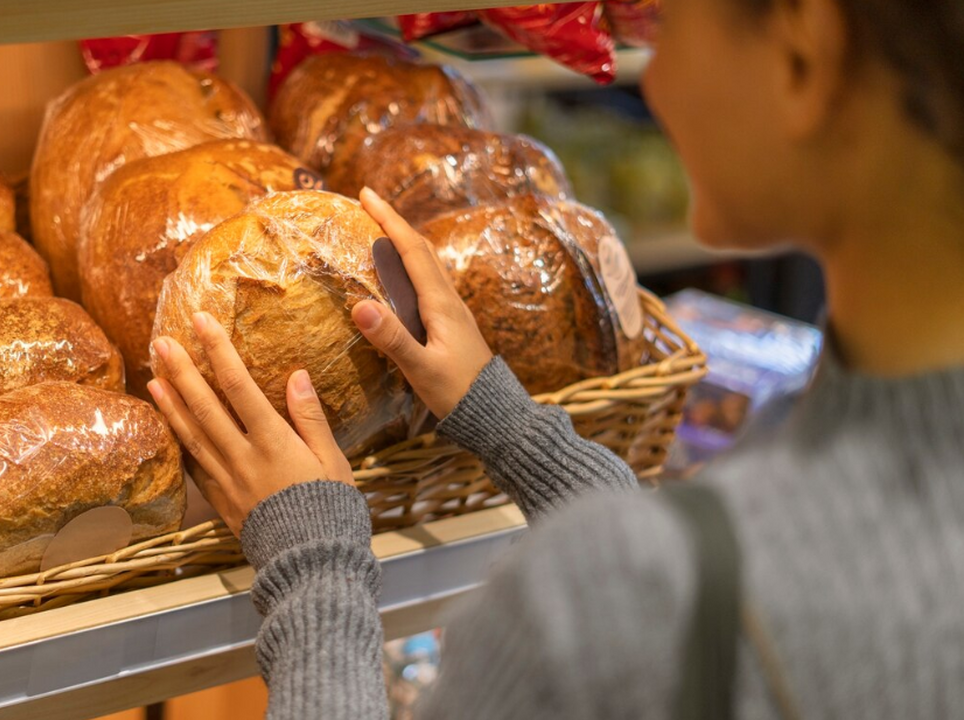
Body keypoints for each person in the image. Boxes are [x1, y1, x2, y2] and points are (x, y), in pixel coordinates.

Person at [146, 0, 964, 716]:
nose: (654, 79)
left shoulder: (585, 606)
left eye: (669, 24)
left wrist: (312, 560)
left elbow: (669, 587)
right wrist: (504, 422)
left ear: (803, 52)